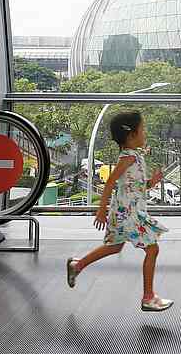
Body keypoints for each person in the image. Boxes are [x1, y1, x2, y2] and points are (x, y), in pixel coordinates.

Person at [65, 110, 173, 311]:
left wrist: (151, 182)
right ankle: (148, 297)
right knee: (153, 248)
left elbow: (134, 185)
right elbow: (110, 183)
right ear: (131, 135)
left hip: (126, 212)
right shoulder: (128, 158)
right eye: (142, 130)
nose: (145, 133)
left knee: (114, 247)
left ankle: (77, 266)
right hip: (128, 214)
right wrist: (101, 210)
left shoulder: (135, 156)